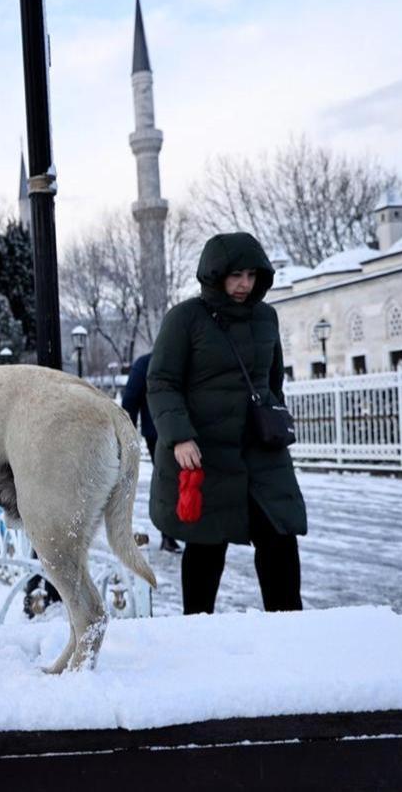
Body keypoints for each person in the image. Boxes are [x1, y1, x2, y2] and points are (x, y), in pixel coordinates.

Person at [147, 232, 307, 615]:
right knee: (206, 546)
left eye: (251, 275)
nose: (244, 285)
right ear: (215, 274)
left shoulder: (266, 317)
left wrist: (275, 419)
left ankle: (291, 632)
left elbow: (272, 381)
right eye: (236, 275)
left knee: (280, 537)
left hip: (261, 452)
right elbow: (161, 382)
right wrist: (180, 436)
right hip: (206, 452)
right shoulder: (185, 318)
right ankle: (197, 633)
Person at [121, 352, 180, 553]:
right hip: (164, 432)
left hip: (158, 431)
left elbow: (130, 400)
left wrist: (127, 436)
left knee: (168, 481)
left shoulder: (146, 363)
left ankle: (170, 534)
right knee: (175, 481)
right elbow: (130, 400)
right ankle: (171, 533)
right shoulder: (179, 359)